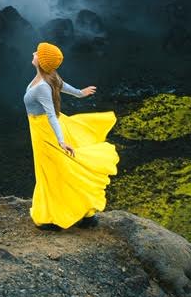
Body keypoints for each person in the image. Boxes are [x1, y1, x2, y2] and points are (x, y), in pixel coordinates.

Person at [24, 40, 119, 229]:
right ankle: (84, 214)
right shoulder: (49, 77)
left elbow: (51, 114)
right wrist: (79, 93)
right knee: (59, 170)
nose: (34, 53)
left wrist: (61, 141)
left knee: (54, 172)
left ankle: (58, 216)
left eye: (38, 53)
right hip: (43, 128)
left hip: (45, 132)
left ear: (42, 62)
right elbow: (62, 85)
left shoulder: (43, 85)